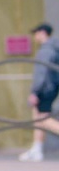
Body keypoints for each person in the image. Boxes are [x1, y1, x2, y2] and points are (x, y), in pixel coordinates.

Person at [23, 23, 58, 162]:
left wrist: (35, 91)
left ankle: (37, 149)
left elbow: (41, 72)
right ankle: (36, 148)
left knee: (43, 118)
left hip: (45, 88)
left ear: (43, 32)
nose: (35, 36)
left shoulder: (46, 50)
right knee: (38, 117)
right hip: (51, 86)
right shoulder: (53, 48)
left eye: (36, 33)